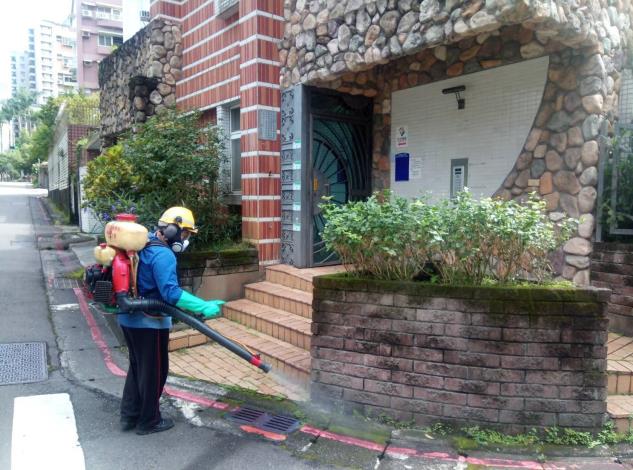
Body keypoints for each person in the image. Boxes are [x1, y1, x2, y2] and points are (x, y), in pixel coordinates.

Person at [118, 207, 224, 435]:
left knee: (138, 368)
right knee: (155, 371)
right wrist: (203, 306)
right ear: (173, 229)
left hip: (128, 319)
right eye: (185, 234)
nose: (185, 240)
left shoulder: (143, 242)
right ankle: (149, 421)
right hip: (149, 322)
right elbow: (171, 294)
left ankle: (130, 415)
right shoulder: (164, 254)